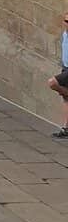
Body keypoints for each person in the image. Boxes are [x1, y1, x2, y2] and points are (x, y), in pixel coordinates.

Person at [47, 11, 68, 139]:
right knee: (66, 100)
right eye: (66, 21)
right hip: (65, 68)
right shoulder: (65, 34)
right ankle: (66, 129)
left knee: (52, 83)